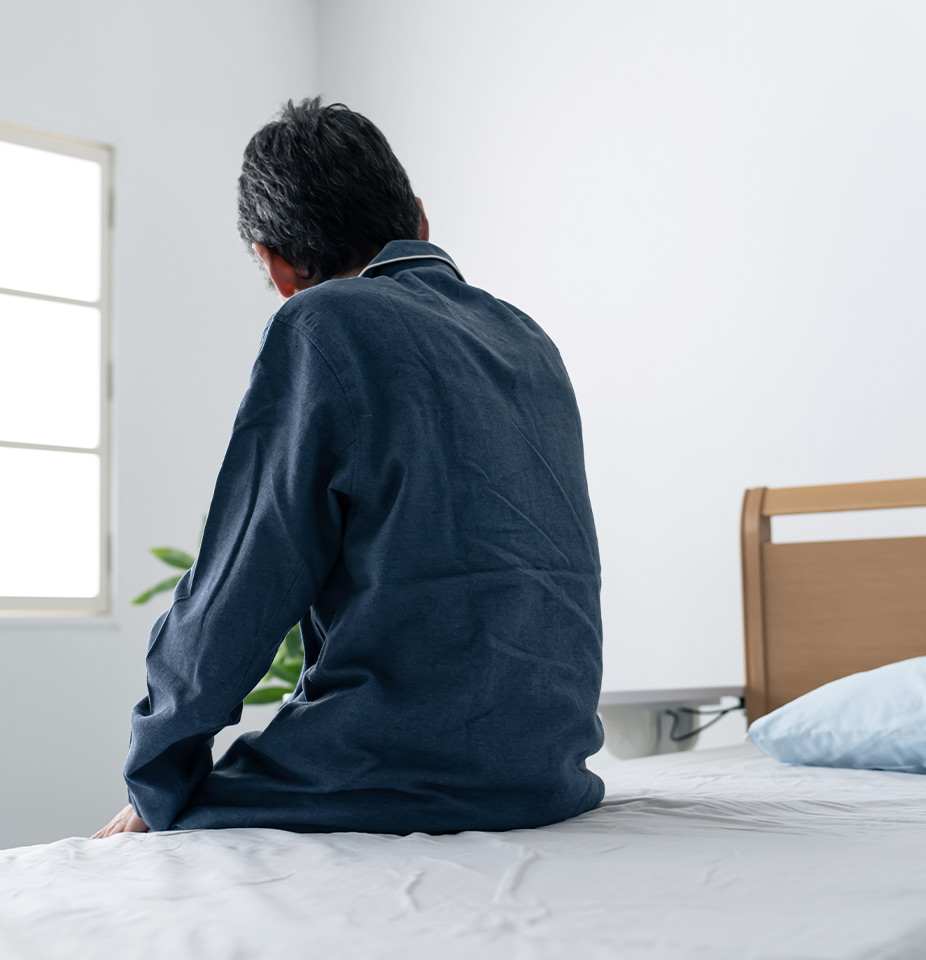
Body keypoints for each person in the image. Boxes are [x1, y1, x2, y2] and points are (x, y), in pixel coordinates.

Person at [93, 98, 604, 840]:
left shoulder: (322, 322)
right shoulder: (529, 340)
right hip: (545, 779)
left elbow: (241, 585)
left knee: (146, 837)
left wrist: (156, 780)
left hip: (395, 776)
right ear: (420, 221)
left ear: (276, 266)